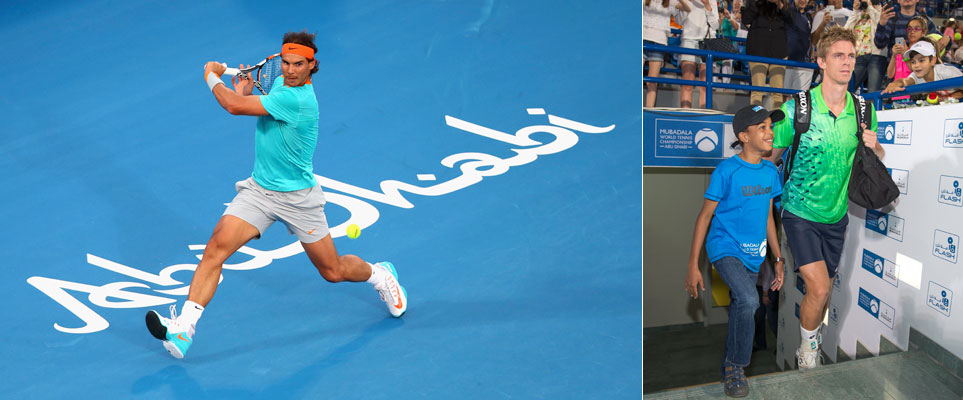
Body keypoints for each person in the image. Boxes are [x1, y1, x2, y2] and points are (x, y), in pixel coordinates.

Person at [144, 31, 409, 359]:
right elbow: (249, 104)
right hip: (259, 191)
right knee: (214, 250)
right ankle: (184, 329)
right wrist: (243, 91)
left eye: (298, 64)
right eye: (285, 63)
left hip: (299, 199)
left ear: (312, 66)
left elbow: (233, 106)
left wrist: (212, 76)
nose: (290, 70)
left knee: (333, 271)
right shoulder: (282, 84)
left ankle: (380, 275)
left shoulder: (300, 101)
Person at [766, 25, 885, 370]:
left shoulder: (864, 110)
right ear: (821, 61)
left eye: (852, 56)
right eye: (838, 55)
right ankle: (808, 355)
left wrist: (876, 146)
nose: (847, 62)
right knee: (818, 290)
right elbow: (770, 159)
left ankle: (811, 340)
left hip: (837, 216)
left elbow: (875, 156)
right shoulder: (797, 109)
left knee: (824, 291)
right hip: (799, 212)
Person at [685, 104, 786, 398]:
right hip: (724, 246)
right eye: (762, 127)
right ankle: (736, 366)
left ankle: (728, 365)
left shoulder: (770, 171)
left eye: (771, 127)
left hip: (754, 254)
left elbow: (768, 217)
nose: (770, 132)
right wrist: (693, 264)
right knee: (749, 298)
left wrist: (778, 258)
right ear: (744, 136)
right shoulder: (727, 170)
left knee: (743, 305)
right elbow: (704, 216)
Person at [742, 0, 793, 107]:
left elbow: (791, 22)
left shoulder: (782, 5)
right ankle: (756, 117)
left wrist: (780, 5)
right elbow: (746, 18)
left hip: (779, 53)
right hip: (758, 51)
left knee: (777, 93)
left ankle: (777, 118)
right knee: (757, 91)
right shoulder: (755, 3)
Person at [645, 0, 692, 107]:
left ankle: (649, 110)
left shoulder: (670, 2)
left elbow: (688, 8)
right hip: (642, 38)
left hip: (659, 41)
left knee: (652, 81)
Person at [882, 39, 963, 99]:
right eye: (913, 62)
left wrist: (952, 97)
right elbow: (904, 81)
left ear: (933, 61)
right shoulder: (917, 75)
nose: (916, 65)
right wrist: (894, 84)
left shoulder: (947, 72)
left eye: (921, 60)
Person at [679, 0, 719, 108]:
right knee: (687, 84)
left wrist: (707, 5)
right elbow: (679, 20)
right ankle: (685, 115)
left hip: (708, 41)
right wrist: (685, 6)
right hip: (689, 39)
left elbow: (715, 25)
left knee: (705, 86)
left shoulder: (712, 1)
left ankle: (703, 116)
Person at [845, 0, 887, 93]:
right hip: (858, 57)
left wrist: (870, 6)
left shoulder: (881, 11)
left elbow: (881, 24)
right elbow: (845, 31)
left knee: (873, 92)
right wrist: (855, 11)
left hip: (876, 57)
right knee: (846, 89)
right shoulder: (858, 14)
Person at [887, 16, 930, 101]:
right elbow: (890, 74)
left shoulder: (924, 52)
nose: (912, 32)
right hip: (897, 95)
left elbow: (917, 72)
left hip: (914, 96)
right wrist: (893, 56)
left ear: (924, 32)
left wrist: (905, 55)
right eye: (909, 29)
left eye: (916, 29)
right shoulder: (901, 50)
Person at [785, 0, 816, 91]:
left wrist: (811, 57)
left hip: (804, 64)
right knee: (783, 94)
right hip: (787, 62)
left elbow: (810, 39)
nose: (803, 0)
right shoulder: (786, 13)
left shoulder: (809, 16)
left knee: (801, 96)